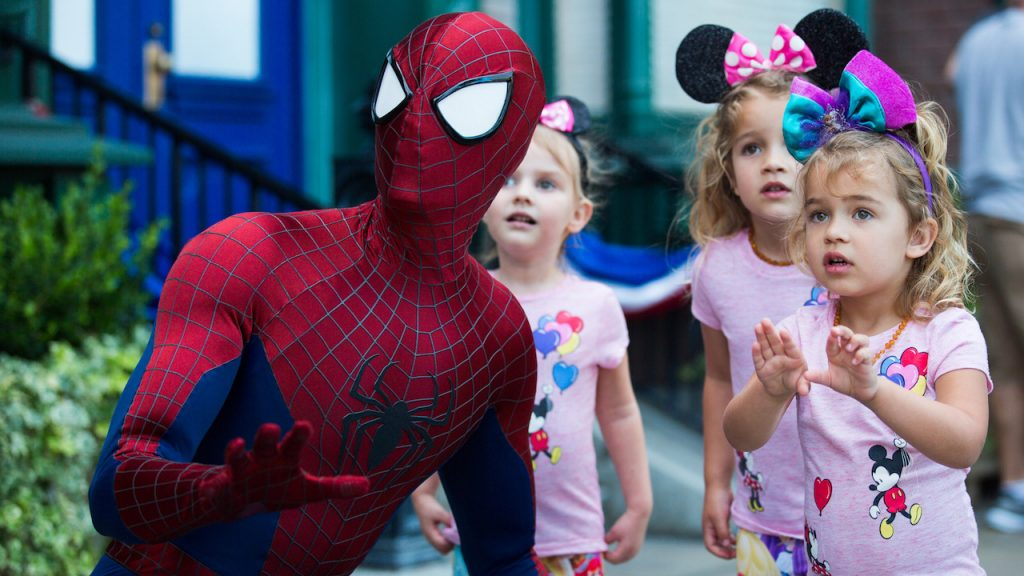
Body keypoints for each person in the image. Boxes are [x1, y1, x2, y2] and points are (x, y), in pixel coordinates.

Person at [88, 12, 547, 575]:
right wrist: (215, 494)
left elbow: (504, 556)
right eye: (397, 92)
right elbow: (116, 487)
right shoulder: (250, 256)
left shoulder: (497, 338)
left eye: (463, 108)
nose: (415, 123)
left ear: (512, 138)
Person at [724, 50, 991, 573]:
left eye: (862, 212)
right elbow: (741, 435)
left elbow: (964, 443)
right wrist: (771, 389)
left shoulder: (949, 331)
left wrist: (874, 390)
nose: (835, 231)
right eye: (819, 213)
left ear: (918, 235)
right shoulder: (801, 332)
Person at [411, 96, 653, 576]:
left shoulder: (597, 305)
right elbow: (442, 407)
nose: (522, 194)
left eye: (545, 184)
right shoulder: (460, 298)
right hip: (482, 531)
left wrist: (639, 502)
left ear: (578, 215)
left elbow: (620, 411)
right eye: (505, 179)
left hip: (573, 538)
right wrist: (422, 491)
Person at [673, 11, 866, 574]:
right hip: (763, 519)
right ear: (728, 170)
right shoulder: (716, 270)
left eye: (792, 142)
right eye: (752, 148)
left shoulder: (847, 256)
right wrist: (715, 482)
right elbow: (717, 379)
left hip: (856, 517)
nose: (775, 161)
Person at [948, 0, 1024, 534]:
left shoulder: (975, 41)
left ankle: (1016, 489)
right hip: (1021, 213)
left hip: (982, 213)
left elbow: (951, 73)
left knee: (1008, 366)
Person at [142, 22, 172, 111]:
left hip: (157, 95)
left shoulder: (160, 48)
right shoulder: (148, 48)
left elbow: (166, 66)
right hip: (147, 92)